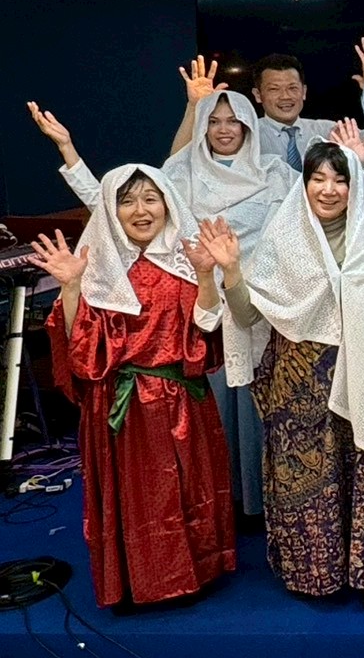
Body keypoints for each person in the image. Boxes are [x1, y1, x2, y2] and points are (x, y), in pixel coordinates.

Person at [31, 67, 293, 523]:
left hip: (257, 303)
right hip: (196, 299)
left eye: (234, 121)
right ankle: (227, 505)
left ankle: (259, 504)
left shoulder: (277, 174)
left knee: (259, 411)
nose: (225, 129)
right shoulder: (182, 176)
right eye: (214, 120)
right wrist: (69, 153)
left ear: (251, 126)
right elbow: (112, 202)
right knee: (211, 412)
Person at [205, 140, 364, 608]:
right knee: (305, 478)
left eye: (340, 179)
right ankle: (315, 574)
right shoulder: (282, 239)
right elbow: (249, 316)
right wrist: (232, 271)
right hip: (298, 382)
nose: (329, 189)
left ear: (354, 186)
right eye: (318, 178)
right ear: (305, 184)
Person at [30, 165, 237, 610]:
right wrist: (71, 288)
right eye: (127, 201)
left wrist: (206, 277)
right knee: (134, 499)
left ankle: (191, 574)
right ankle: (135, 581)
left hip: (180, 402)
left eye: (150, 198)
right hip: (120, 411)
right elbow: (78, 348)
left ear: (167, 204)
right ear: (110, 209)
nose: (141, 210)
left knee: (185, 491)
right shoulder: (97, 269)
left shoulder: (185, 261)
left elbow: (205, 330)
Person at [249, 41, 364, 169]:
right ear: (258, 95)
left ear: (304, 92)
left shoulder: (329, 131)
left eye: (293, 88)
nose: (285, 96)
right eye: (274, 89)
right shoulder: (248, 135)